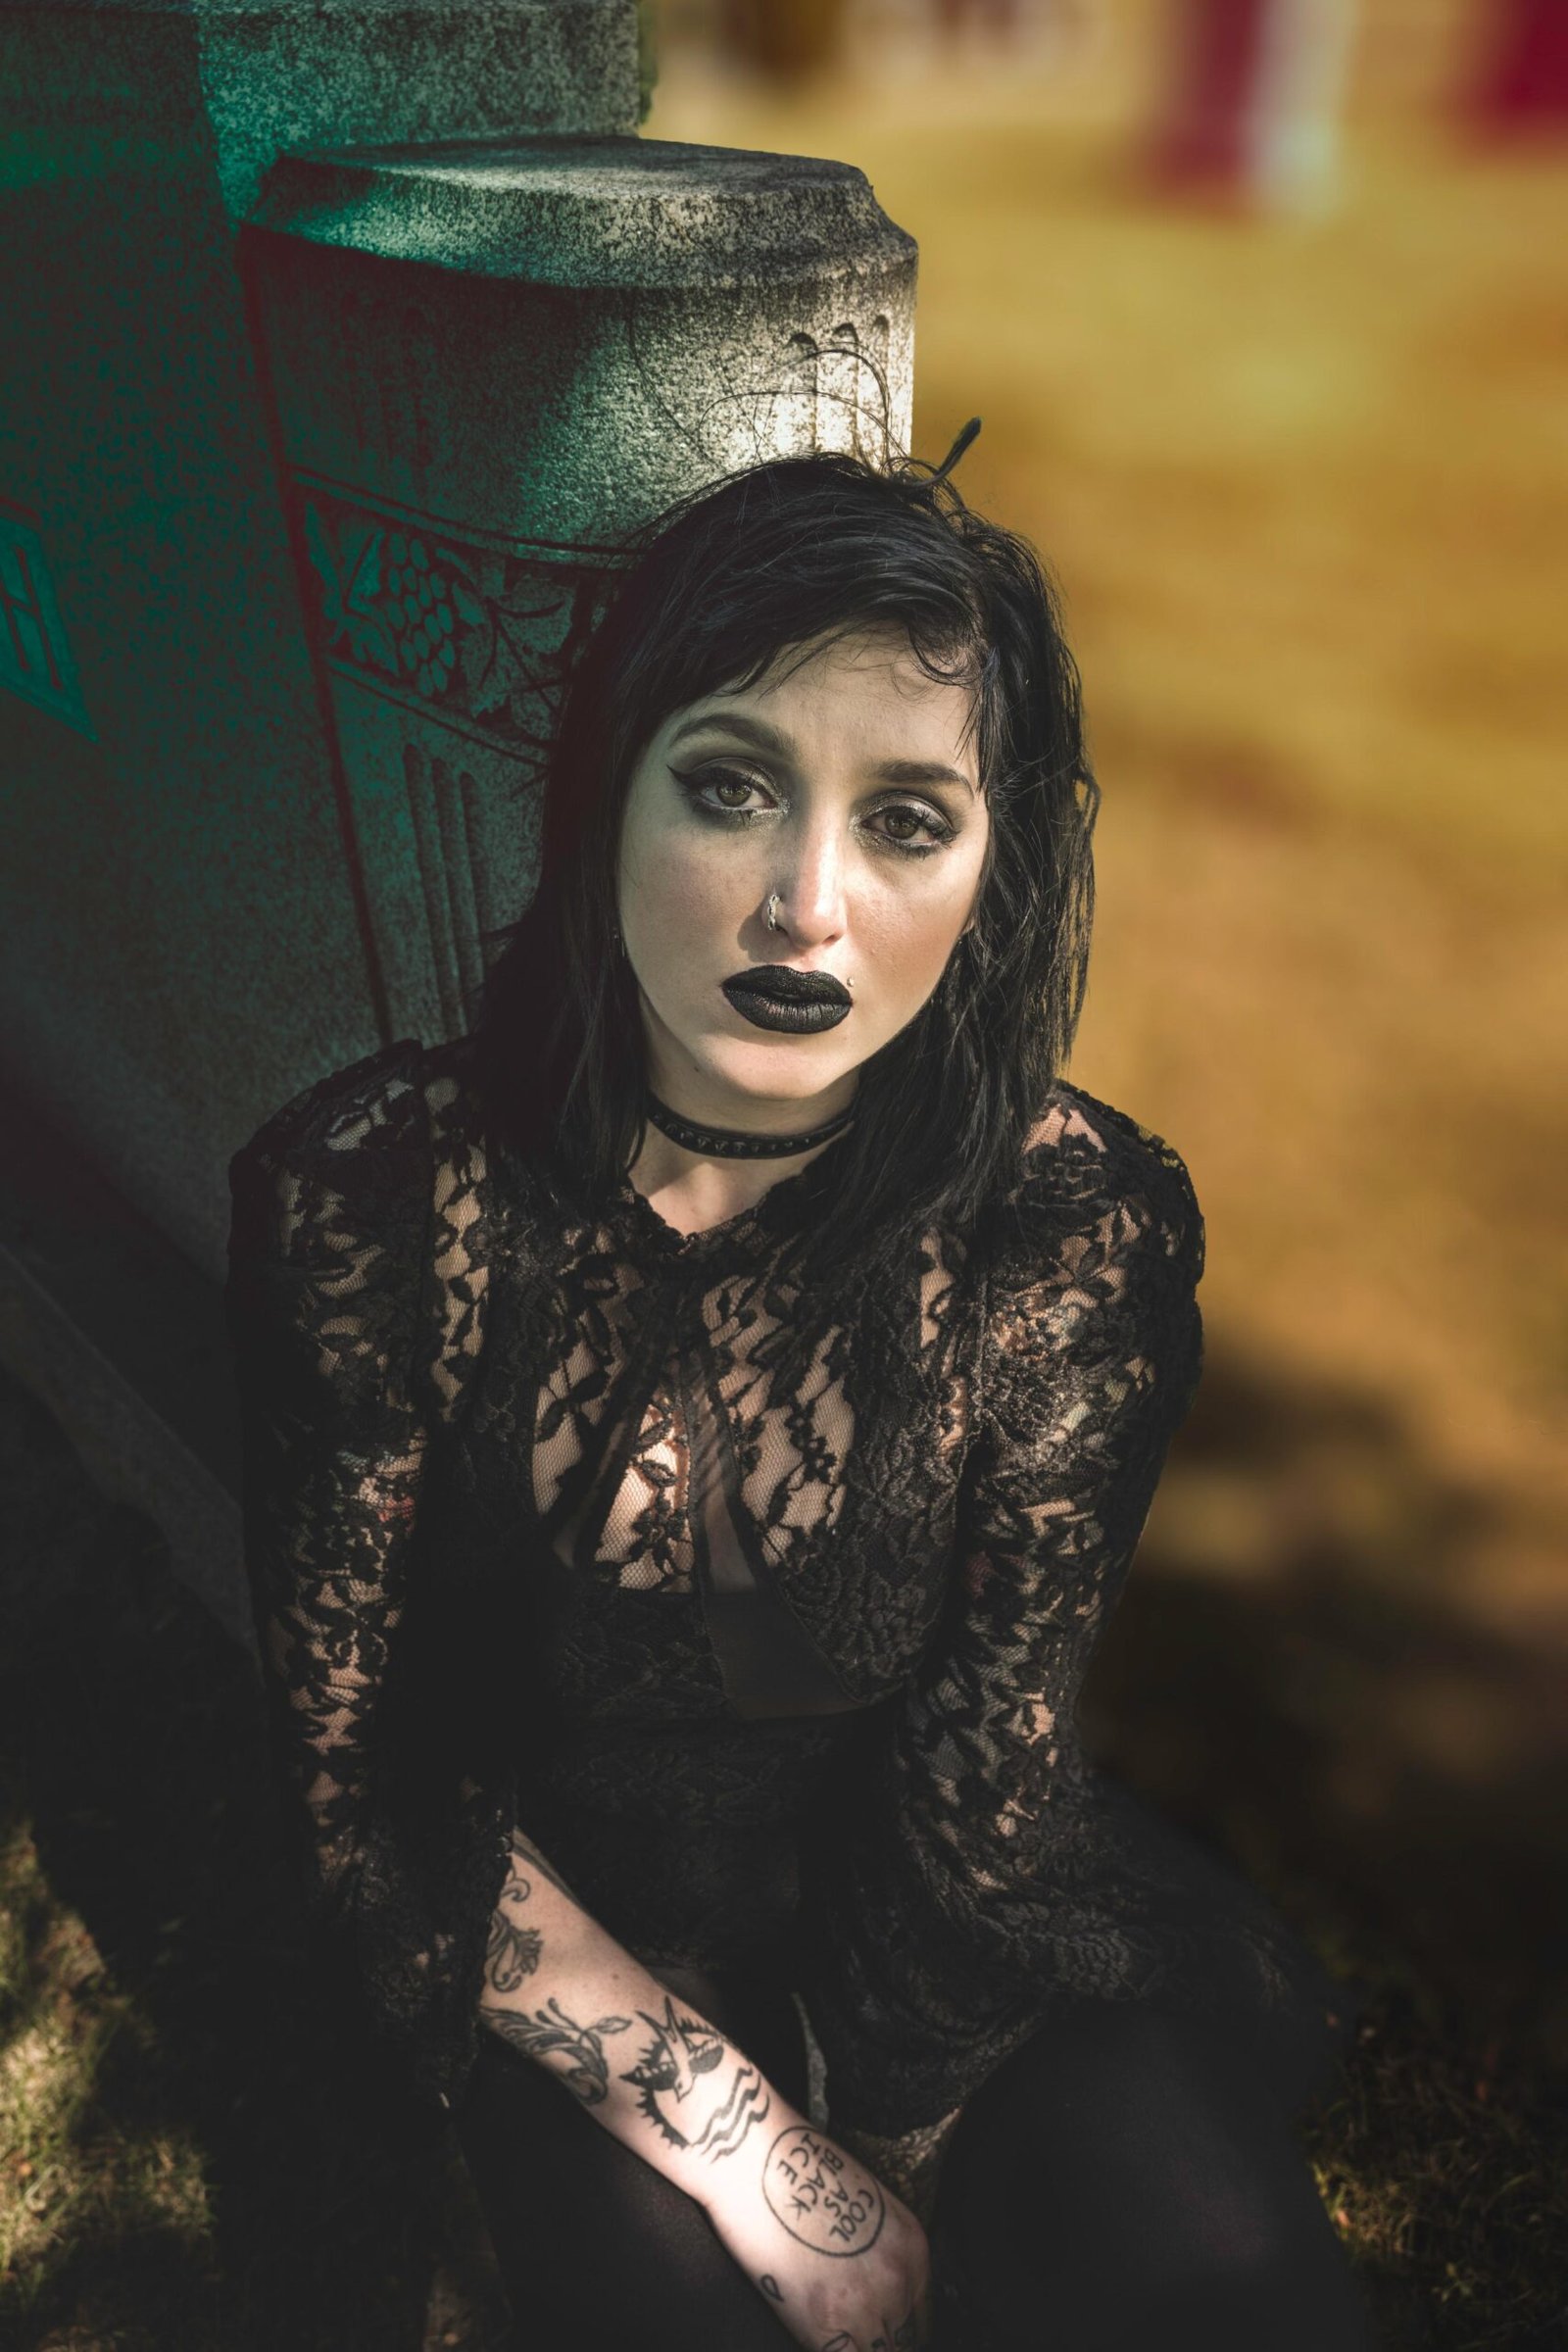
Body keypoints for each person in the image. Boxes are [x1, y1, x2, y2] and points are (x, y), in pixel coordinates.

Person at [225, 438, 1379, 2350]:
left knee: (1228, 2283)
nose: (803, 906)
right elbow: (367, 1789)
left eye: (905, 819)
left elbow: (981, 1770)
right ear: (609, 797)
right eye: (730, 787)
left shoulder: (1064, 1233)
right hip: (570, 1957)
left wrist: (909, 2151)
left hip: (947, 1941)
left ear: (994, 865)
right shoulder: (372, 1199)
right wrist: (752, 2153)